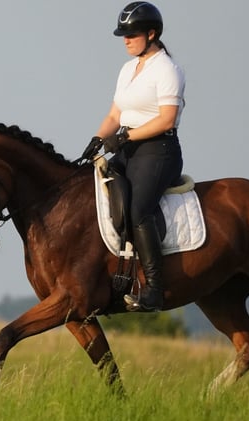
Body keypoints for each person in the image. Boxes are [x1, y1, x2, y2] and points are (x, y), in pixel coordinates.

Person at [81, 1, 185, 312]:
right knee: (97, 193)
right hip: (127, 149)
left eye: (132, 34)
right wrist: (98, 138)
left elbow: (166, 119)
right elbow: (116, 112)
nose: (125, 40)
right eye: (123, 35)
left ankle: (154, 288)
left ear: (152, 34)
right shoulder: (128, 69)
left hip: (159, 151)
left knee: (139, 209)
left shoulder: (167, 70)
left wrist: (125, 136)